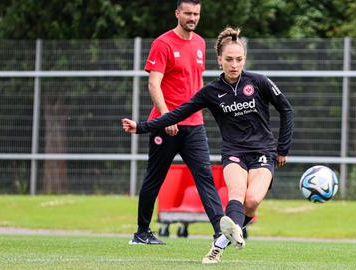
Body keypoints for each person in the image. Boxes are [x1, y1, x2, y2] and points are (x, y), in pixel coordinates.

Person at [122, 27, 293, 264]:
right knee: (236, 194)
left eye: (239, 59)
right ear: (219, 60)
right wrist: (141, 126)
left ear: (245, 59)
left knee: (252, 201)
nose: (235, 65)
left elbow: (286, 109)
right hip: (234, 154)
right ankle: (220, 246)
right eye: (230, 59)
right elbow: (178, 113)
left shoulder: (259, 82)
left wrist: (283, 148)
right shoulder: (211, 92)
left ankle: (225, 239)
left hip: (264, 152)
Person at [128, 0, 224, 248]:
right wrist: (166, 115)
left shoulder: (201, 43)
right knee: (155, 178)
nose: (192, 17)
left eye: (196, 14)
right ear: (177, 14)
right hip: (165, 124)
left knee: (205, 178)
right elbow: (153, 84)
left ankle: (219, 233)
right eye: (188, 13)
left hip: (194, 125)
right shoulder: (163, 43)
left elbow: (196, 85)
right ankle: (141, 232)